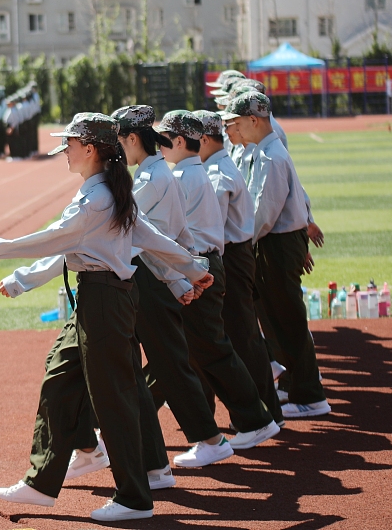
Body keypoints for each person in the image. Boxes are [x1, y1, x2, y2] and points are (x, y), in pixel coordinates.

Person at [0, 113, 209, 523]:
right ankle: (41, 482)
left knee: (114, 400)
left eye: (69, 145)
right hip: (98, 299)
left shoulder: (99, 199)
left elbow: (53, 239)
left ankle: (134, 497)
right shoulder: (110, 192)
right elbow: (150, 238)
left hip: (105, 302)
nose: (65, 152)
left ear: (90, 149)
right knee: (59, 378)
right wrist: (193, 269)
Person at [114, 104, 232, 470]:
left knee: (170, 365)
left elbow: (153, 240)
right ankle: (112, 440)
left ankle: (209, 439)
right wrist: (182, 277)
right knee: (162, 364)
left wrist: (181, 278)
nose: (119, 150)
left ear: (133, 139)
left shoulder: (153, 181)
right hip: (156, 277)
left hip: (151, 280)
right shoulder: (160, 174)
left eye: (120, 142)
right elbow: (174, 237)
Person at [154, 110, 279, 449]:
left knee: (212, 350)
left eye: (163, 141)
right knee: (196, 349)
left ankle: (256, 418)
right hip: (203, 263)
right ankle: (248, 418)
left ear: (180, 142)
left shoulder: (183, 178)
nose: (159, 149)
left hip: (196, 266)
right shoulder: (195, 173)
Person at [221, 91, 330, 419]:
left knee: (288, 320)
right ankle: (298, 386)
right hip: (275, 242)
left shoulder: (270, 157)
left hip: (277, 242)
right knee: (276, 318)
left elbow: (264, 212)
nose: (235, 130)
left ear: (253, 120)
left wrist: (241, 244)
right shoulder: (264, 152)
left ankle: (310, 393)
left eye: (238, 123)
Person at [195, 109, 282, 426]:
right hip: (232, 254)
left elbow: (210, 225)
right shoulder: (215, 167)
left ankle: (266, 411)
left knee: (241, 336)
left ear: (203, 139)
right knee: (237, 335)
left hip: (229, 256)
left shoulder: (217, 173)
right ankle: (261, 409)